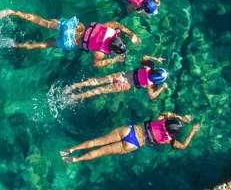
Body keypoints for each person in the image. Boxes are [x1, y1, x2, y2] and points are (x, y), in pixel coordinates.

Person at [0, 9, 139, 66]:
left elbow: (117, 24)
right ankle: (15, 44)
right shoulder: (100, 53)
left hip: (72, 27)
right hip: (69, 41)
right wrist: (114, 60)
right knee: (44, 44)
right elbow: (95, 64)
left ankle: (12, 12)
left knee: (43, 21)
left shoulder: (110, 28)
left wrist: (130, 33)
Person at [60, 112, 200, 163]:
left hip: (128, 131)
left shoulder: (160, 119)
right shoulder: (168, 139)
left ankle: (72, 149)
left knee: (97, 141)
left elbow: (166, 112)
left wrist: (179, 117)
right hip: (133, 144)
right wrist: (193, 131)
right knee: (101, 152)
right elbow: (183, 146)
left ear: (168, 122)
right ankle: (76, 160)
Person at [65, 56, 169, 101]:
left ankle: (72, 86)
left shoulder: (147, 67)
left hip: (121, 76)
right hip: (123, 85)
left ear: (156, 69)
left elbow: (144, 57)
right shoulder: (151, 84)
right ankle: (75, 97)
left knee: (97, 81)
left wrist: (156, 59)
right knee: (98, 91)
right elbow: (152, 96)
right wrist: (162, 88)